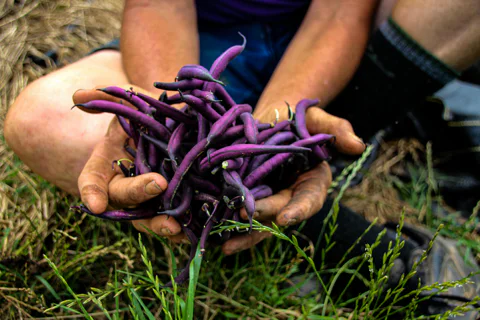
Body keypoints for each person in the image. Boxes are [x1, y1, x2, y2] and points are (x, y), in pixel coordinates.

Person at [4, 0, 480, 316]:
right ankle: (319, 226)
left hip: (337, 48)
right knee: (40, 117)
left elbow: (338, 14)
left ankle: (323, 142)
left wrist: (280, 124)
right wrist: (180, 120)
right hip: (200, 40)